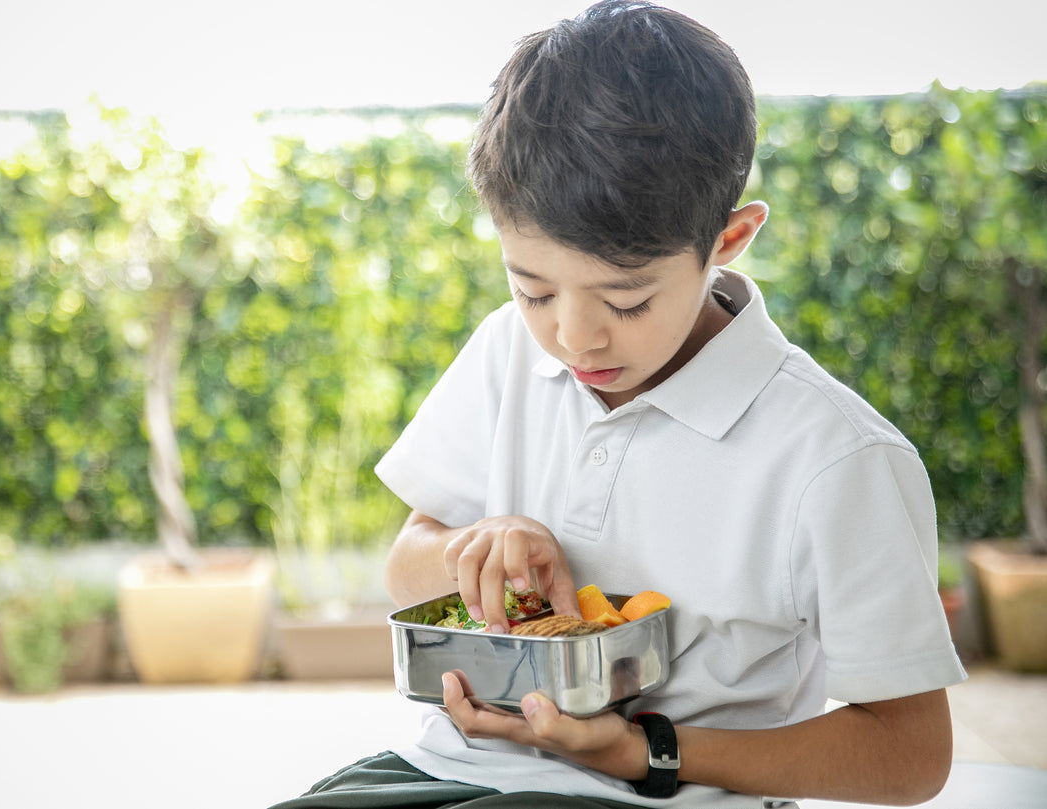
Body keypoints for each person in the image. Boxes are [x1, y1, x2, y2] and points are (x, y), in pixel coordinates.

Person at [269, 2, 966, 807]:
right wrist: (475, 546)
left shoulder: (835, 457)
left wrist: (646, 751)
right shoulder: (506, 349)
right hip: (452, 767)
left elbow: (912, 754)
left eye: (627, 301)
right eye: (531, 288)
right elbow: (405, 568)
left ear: (729, 240)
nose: (574, 339)